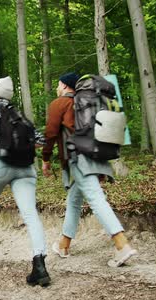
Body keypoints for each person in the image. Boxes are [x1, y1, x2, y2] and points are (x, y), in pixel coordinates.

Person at [41, 72, 137, 267]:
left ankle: (122, 245)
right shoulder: (88, 104)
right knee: (74, 200)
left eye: (59, 84)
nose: (58, 88)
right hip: (95, 155)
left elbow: (50, 133)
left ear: (66, 86)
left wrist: (45, 159)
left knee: (95, 198)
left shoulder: (60, 103)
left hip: (78, 158)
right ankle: (64, 245)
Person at [0, 76, 51, 286]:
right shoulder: (18, 114)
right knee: (30, 214)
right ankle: (39, 266)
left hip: (0, 163)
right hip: (25, 167)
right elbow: (40, 141)